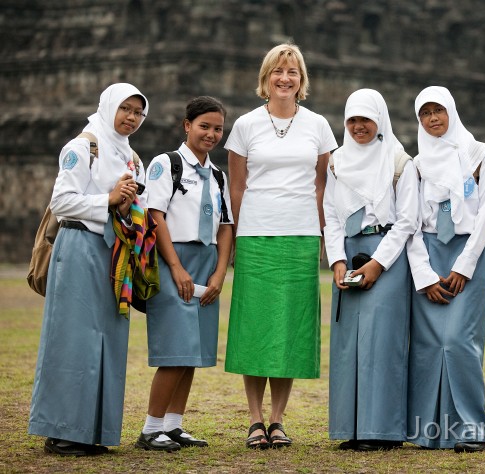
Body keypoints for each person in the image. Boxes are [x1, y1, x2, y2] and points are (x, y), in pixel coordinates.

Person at [224, 43, 338, 449]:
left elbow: (324, 186)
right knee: (255, 328)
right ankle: (254, 420)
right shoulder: (246, 125)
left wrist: (327, 237)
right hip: (256, 235)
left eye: (292, 71)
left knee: (291, 327)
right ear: (266, 78)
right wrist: (239, 234)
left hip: (302, 235)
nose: (285, 78)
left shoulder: (319, 126)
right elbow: (237, 186)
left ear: (301, 79)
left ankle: (277, 420)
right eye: (278, 71)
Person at [28, 83, 149, 455]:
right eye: (125, 109)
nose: (130, 118)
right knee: (73, 339)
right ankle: (62, 432)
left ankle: (93, 430)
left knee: (108, 338)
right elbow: (62, 201)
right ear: (108, 106)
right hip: (79, 245)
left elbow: (131, 205)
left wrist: (130, 207)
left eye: (138, 113)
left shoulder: (131, 157)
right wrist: (108, 199)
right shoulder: (83, 147)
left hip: (115, 252)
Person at [135, 96, 234, 451]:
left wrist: (221, 274)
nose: (211, 134)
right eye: (204, 126)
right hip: (173, 259)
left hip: (207, 262)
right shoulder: (167, 164)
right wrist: (175, 267)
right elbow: (155, 217)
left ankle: (173, 425)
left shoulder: (219, 175)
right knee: (175, 352)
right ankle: (149, 429)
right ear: (187, 125)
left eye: (218, 128)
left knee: (193, 352)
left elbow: (225, 227)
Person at [324, 89, 419, 451]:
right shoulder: (336, 161)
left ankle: (382, 431)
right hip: (348, 253)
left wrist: (379, 264)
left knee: (382, 342)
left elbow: (408, 220)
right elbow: (331, 216)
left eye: (366, 119)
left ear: (379, 120)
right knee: (348, 344)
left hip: (387, 256)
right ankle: (351, 427)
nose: (359, 127)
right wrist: (337, 261)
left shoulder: (398, 161)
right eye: (352, 120)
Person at [406, 86, 485, 453]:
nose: (432, 119)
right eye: (425, 113)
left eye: (438, 110)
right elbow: (409, 222)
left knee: (460, 343)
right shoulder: (416, 164)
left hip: (469, 253)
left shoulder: (478, 153)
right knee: (429, 346)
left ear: (451, 112)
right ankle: (430, 431)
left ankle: (475, 430)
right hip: (429, 252)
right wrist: (424, 275)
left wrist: (465, 264)